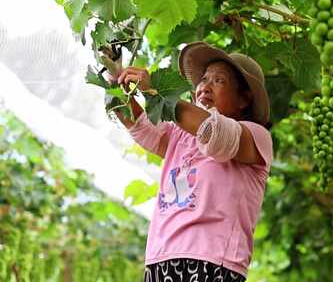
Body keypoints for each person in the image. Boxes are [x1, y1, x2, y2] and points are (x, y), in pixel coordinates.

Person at [108, 41, 273, 282]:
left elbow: (214, 133)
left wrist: (156, 92)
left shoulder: (256, 137)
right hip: (160, 260)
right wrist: (115, 77)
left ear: (244, 100)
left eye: (219, 81)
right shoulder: (180, 133)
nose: (205, 87)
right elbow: (139, 123)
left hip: (213, 264)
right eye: (204, 79)